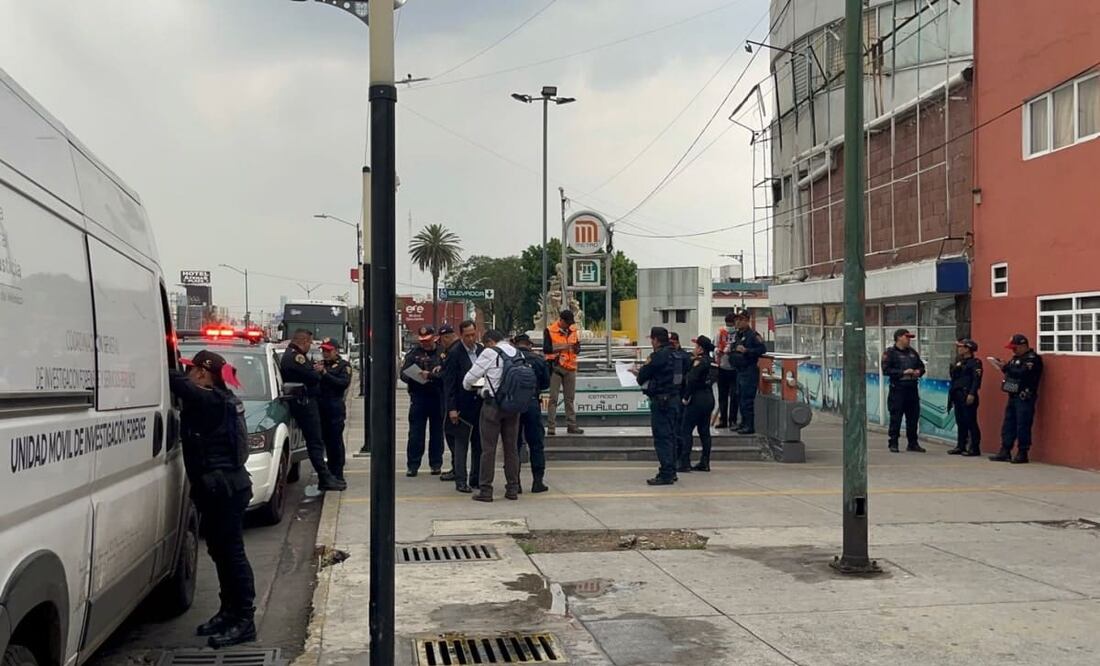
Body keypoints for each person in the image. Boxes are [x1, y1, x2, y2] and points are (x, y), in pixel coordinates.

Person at [169, 350, 256, 648]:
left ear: (203, 374)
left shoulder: (211, 400)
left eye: (192, 370)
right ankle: (228, 611)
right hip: (220, 489)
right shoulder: (220, 398)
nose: (189, 374)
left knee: (232, 555)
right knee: (220, 552)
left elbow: (177, 383)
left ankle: (245, 619)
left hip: (225, 490)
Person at [280, 329, 344, 491]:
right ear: (304, 341)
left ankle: (327, 476)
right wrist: (317, 372)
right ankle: (325, 478)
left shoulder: (291, 355)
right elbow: (314, 377)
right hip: (305, 404)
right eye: (310, 343)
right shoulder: (296, 357)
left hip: (307, 402)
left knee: (319, 442)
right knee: (315, 442)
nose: (311, 347)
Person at [463, 330, 522, 501]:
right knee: (511, 449)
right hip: (513, 406)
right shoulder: (516, 352)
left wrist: (476, 387)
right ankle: (512, 488)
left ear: (489, 342)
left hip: (493, 406)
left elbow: (468, 379)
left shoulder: (490, 352)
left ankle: (486, 490)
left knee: (488, 449)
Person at [634, 326, 679, 486]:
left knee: (662, 437)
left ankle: (666, 473)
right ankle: (672, 470)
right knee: (672, 436)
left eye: (652, 339)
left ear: (655, 340)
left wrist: (636, 373)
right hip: (675, 399)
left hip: (661, 401)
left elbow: (643, 376)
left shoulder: (658, 356)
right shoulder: (677, 354)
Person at [988, 334, 1043, 464]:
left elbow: (1022, 373)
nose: (1013, 351)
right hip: (1013, 395)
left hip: (1025, 396)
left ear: (1023, 346)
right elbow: (1011, 373)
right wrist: (1004, 366)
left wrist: (1006, 367)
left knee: (1023, 425)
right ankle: (1005, 450)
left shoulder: (1032, 359)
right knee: (1008, 424)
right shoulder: (1015, 359)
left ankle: (1022, 452)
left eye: (1015, 348)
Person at [442, 320, 483, 492]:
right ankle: (461, 480)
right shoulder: (455, 353)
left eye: (473, 334)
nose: (471, 339)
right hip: (461, 405)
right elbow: (449, 382)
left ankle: (476, 477)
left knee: (479, 444)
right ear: (461, 335)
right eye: (467, 336)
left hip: (480, 403)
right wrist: (451, 408)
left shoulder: (481, 351)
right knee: (461, 445)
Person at [400, 325, 445, 477]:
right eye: (422, 340)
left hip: (437, 397)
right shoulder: (414, 353)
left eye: (427, 340)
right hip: (419, 396)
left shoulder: (442, 352)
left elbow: (447, 374)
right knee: (415, 434)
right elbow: (403, 374)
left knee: (437, 433)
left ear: (434, 338)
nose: (424, 343)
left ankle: (436, 464)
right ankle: (413, 465)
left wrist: (433, 376)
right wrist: (416, 376)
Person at [513, 333, 552, 493]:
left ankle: (515, 482)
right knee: (536, 443)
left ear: (515, 344)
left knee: (513, 445)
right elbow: (545, 383)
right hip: (532, 403)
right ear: (529, 344)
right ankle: (538, 481)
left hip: (513, 405)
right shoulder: (538, 360)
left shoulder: (510, 359)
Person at [881, 328, 927, 453]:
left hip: (912, 388)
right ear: (899, 338)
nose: (909, 340)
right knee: (896, 417)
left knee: (913, 417)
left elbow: (921, 366)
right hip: (898, 389)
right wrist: (902, 372)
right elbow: (886, 370)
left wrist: (919, 371)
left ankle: (913, 443)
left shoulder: (912, 352)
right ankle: (893, 443)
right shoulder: (890, 353)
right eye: (906, 337)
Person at [543, 309, 583, 435]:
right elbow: (547, 349)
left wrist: (576, 348)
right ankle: (551, 427)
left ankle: (572, 425)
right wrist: (563, 347)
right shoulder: (549, 330)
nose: (569, 325)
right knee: (553, 398)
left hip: (570, 368)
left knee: (569, 399)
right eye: (567, 323)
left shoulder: (573, 331)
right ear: (561, 320)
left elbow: (577, 349)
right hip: (556, 367)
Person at [681, 335, 718, 472]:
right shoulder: (712, 362)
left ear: (701, 348)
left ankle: (685, 462)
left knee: (686, 430)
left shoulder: (699, 362)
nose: (694, 348)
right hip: (709, 398)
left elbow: (691, 380)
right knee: (704, 431)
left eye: (696, 346)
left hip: (697, 399)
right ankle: (705, 461)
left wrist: (686, 397)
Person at [317, 340, 351, 482]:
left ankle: (338, 473)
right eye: (323, 350)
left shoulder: (343, 366)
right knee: (323, 442)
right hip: (320, 407)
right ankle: (327, 473)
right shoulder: (320, 364)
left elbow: (342, 384)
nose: (325, 353)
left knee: (335, 442)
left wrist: (325, 374)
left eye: (328, 351)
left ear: (336, 351)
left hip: (334, 407)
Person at [730, 311, 766, 435]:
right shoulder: (738, 335)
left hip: (749, 370)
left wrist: (747, 350)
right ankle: (743, 422)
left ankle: (749, 425)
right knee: (739, 397)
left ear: (747, 320)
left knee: (747, 399)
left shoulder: (753, 335)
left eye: (741, 319)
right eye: (736, 320)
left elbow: (762, 349)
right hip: (739, 370)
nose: (738, 322)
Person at [947, 339, 983, 457]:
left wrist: (972, 393)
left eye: (961, 347)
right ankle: (960, 445)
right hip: (957, 394)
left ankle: (974, 447)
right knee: (960, 421)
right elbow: (954, 377)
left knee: (970, 421)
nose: (959, 349)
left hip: (967, 394)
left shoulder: (975, 362)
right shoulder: (960, 362)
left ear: (968, 348)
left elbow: (976, 379)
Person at [435, 324, 459, 481]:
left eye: (442, 339)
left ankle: (457, 469)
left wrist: (432, 375)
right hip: (452, 399)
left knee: (452, 436)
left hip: (452, 401)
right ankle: (457, 468)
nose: (441, 343)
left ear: (448, 337)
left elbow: (449, 379)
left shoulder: (453, 352)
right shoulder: (452, 351)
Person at [668, 332, 692, 472]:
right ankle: (676, 459)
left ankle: (681, 460)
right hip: (674, 396)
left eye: (672, 343)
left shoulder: (684, 357)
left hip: (680, 396)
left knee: (679, 430)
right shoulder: (671, 356)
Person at [715, 312, 740, 430]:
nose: (730, 326)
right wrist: (718, 352)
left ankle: (733, 420)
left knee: (735, 395)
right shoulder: (720, 332)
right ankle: (723, 419)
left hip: (735, 368)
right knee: (722, 396)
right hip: (722, 367)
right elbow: (715, 347)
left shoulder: (739, 333)